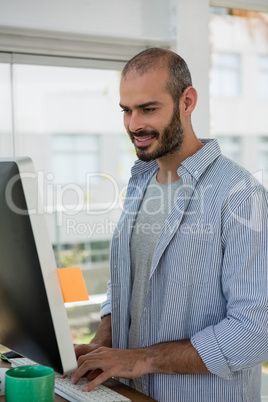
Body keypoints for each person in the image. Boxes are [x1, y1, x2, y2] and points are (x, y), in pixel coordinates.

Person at [71, 48, 268, 401]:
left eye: (148, 109)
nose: (134, 125)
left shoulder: (240, 195)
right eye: (126, 111)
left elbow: (256, 333)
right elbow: (125, 283)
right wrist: (100, 346)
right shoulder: (140, 182)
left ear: (187, 101)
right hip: (131, 395)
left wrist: (143, 359)